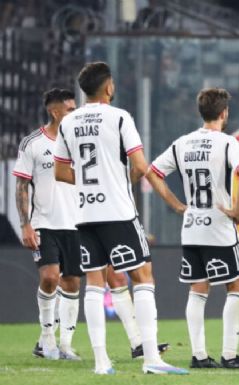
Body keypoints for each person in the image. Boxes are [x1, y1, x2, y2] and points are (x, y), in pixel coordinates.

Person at [53, 62, 187, 375]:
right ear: (109, 87)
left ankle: (101, 362)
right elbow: (140, 166)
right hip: (118, 211)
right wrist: (114, 179)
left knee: (95, 284)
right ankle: (151, 358)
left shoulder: (68, 123)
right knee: (143, 276)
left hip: (85, 213)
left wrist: (91, 183)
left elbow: (60, 170)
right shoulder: (119, 117)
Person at [146, 88, 239, 370]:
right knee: (238, 285)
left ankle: (199, 356)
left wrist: (176, 205)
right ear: (224, 113)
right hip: (220, 228)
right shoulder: (227, 143)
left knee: (198, 289)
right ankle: (230, 355)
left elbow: (152, 171)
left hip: (192, 227)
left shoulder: (183, 143)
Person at [13, 89, 81, 361]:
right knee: (50, 277)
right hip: (45, 223)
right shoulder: (33, 143)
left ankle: (65, 345)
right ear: (55, 112)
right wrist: (25, 224)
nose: (74, 114)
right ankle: (47, 338)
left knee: (72, 282)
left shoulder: (80, 142)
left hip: (76, 224)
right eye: (70, 109)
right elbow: (21, 185)